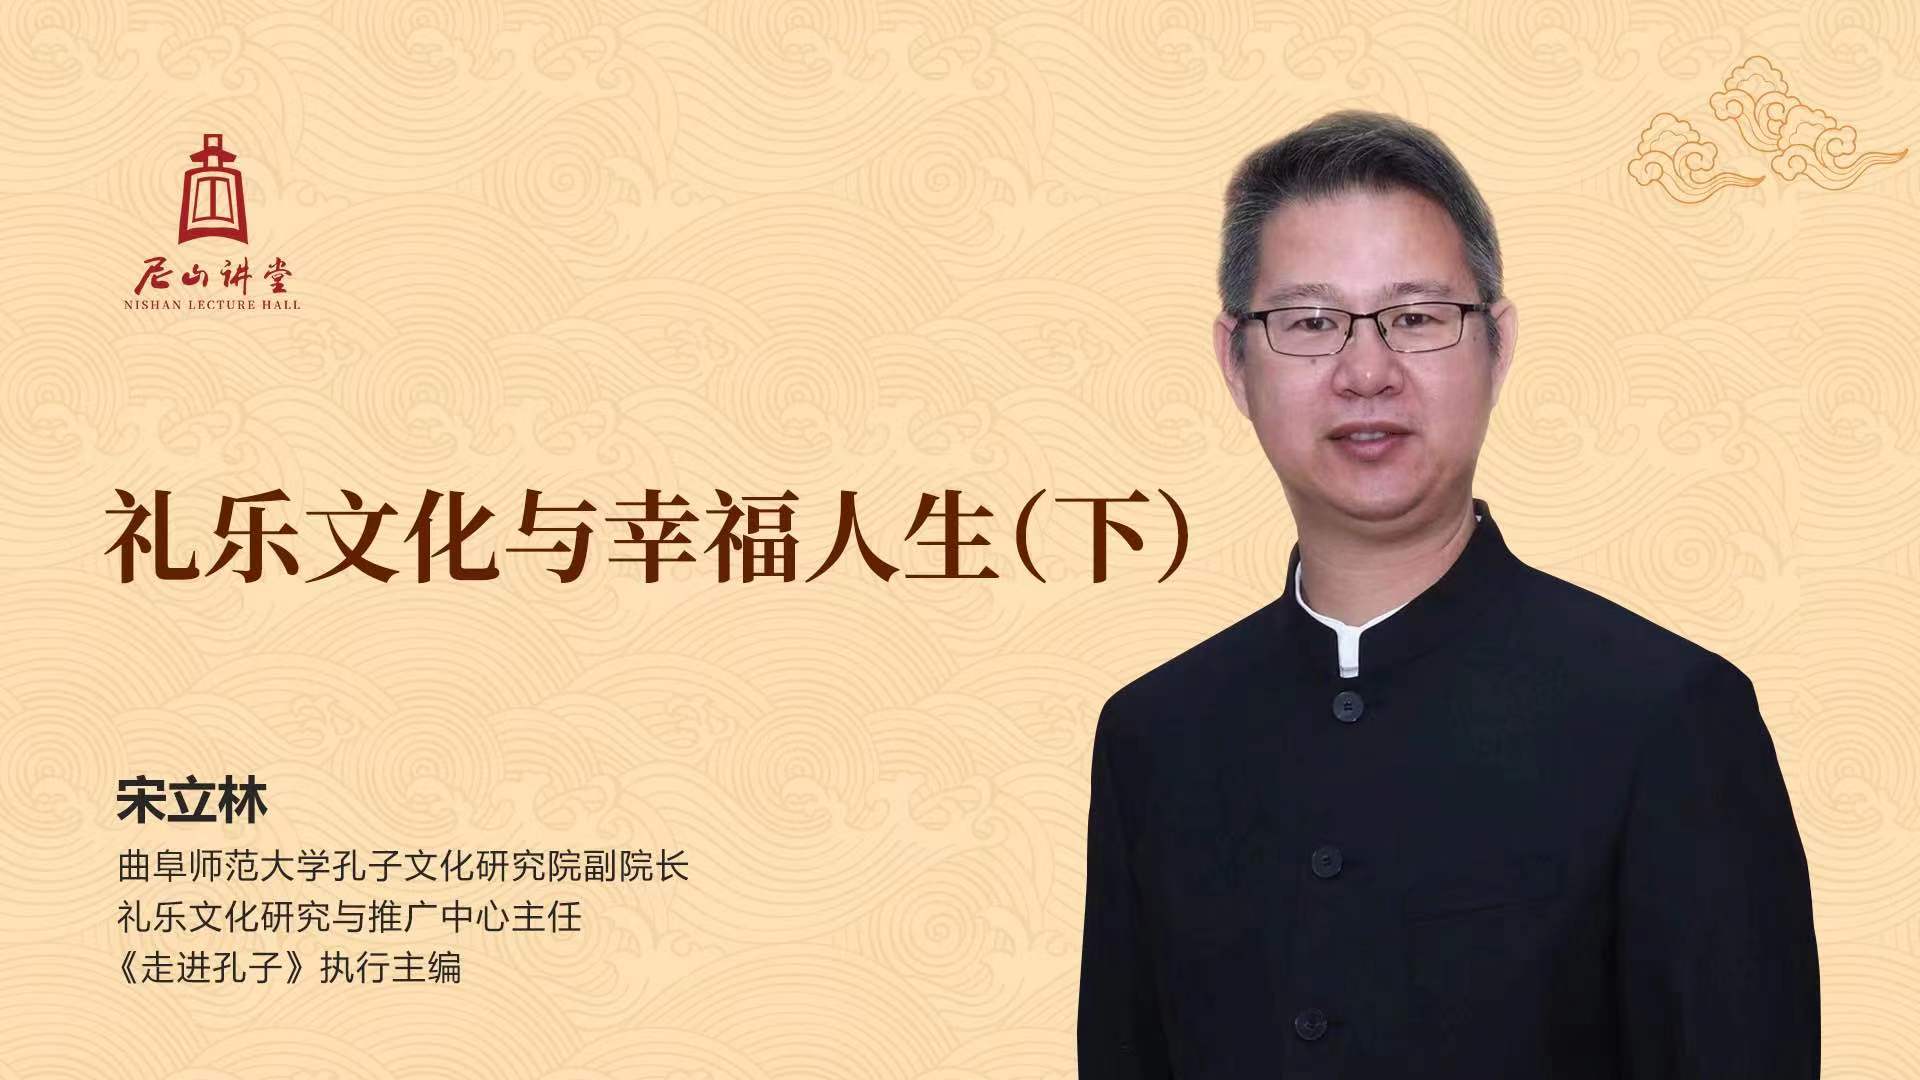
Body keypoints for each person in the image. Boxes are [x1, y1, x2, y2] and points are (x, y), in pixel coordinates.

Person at [1075, 110, 1820, 1078]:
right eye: (1310, 323)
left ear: (1497, 347)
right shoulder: (1155, 735)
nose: (1366, 373)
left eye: (1418, 318)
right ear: (1235, 363)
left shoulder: (1668, 714)